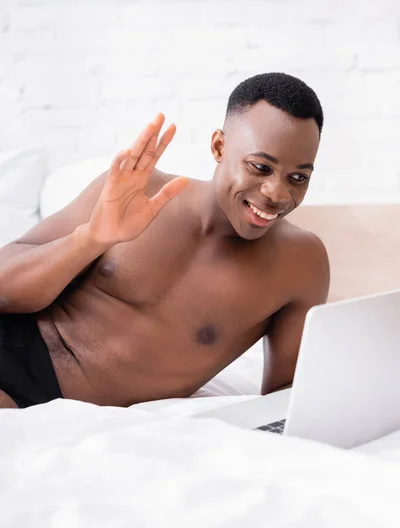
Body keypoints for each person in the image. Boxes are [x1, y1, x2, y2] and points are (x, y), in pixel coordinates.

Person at [0, 72, 329, 409]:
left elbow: (288, 398)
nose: (277, 193)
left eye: (298, 177)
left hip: (48, 402)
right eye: (260, 167)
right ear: (219, 146)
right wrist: (90, 240)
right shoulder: (138, 190)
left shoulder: (300, 263)